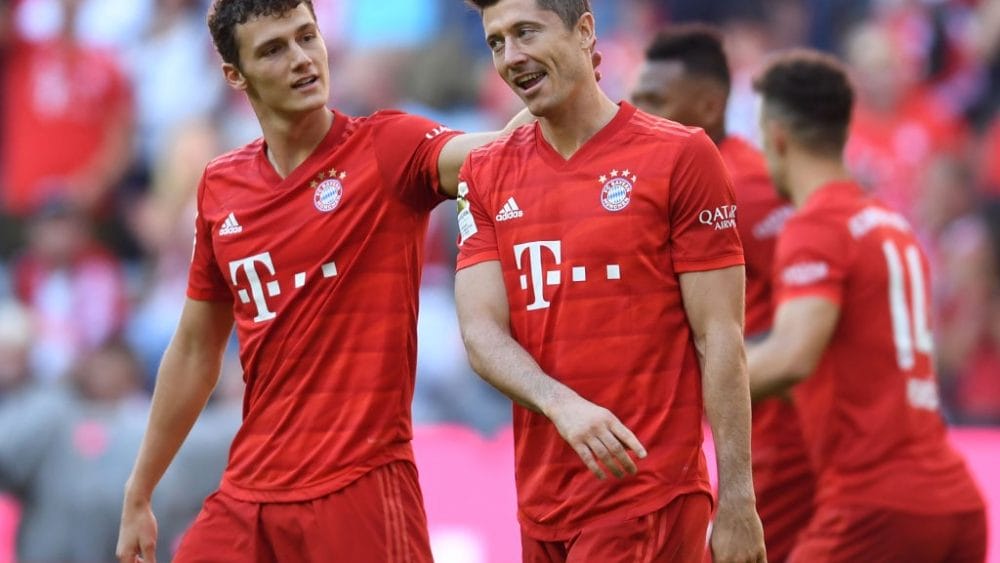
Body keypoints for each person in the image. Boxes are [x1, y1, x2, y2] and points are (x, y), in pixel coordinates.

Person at [115, 1, 542, 561]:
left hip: (360, 483)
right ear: (234, 75)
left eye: (306, 37)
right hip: (251, 493)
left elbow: (500, 154)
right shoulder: (221, 186)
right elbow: (196, 347)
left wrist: (562, 78)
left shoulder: (387, 148)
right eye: (273, 49)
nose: (301, 59)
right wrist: (139, 488)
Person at [455, 1, 765, 561]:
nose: (512, 56)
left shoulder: (681, 156)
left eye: (525, 32)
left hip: (647, 497)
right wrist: (560, 404)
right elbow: (481, 334)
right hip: (543, 503)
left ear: (585, 31)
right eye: (496, 41)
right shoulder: (485, 172)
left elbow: (720, 338)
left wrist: (738, 499)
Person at [747, 49, 987, 562]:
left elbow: (792, 356)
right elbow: (857, 365)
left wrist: (682, 384)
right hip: (955, 501)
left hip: (877, 506)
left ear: (778, 138)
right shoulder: (889, 225)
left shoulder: (815, 226)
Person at [630, 25, 812, 562]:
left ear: (710, 103)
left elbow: (828, 298)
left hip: (772, 436)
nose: (639, 112)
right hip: (718, 433)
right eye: (637, 97)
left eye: (655, 100)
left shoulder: (746, 185)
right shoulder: (673, 177)